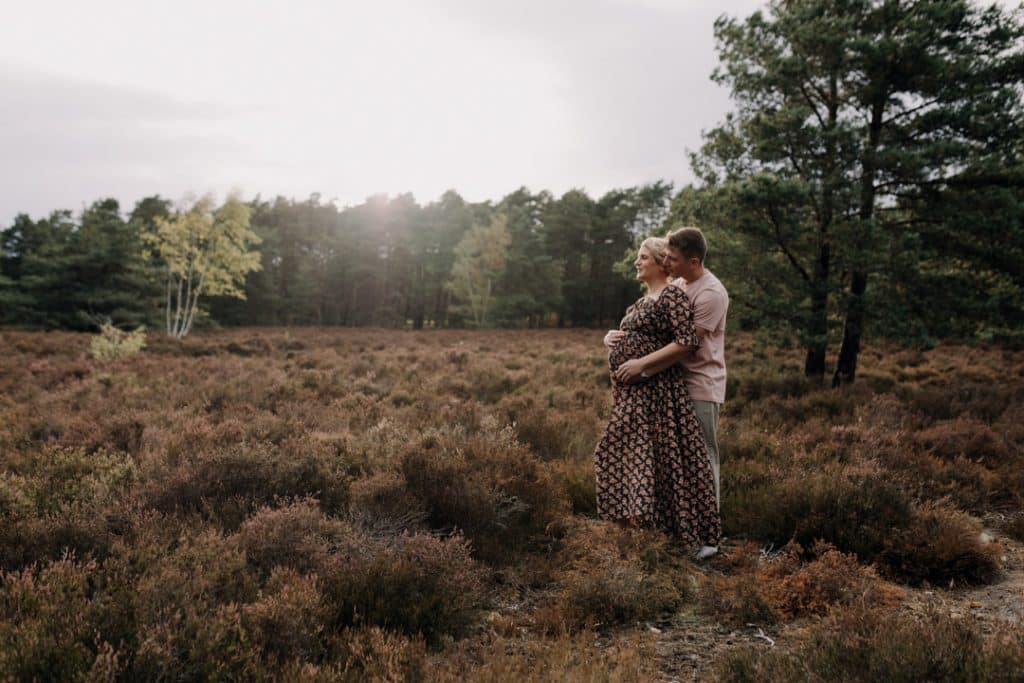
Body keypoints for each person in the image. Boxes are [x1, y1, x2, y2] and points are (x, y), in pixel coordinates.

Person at [594, 237, 721, 557]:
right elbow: (636, 335)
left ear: (659, 262)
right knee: (632, 457)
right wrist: (610, 339)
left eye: (642, 257)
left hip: (656, 392)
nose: (636, 262)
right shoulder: (643, 299)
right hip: (633, 393)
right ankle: (637, 530)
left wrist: (641, 366)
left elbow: (687, 339)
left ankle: (695, 537)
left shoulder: (676, 295)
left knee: (668, 462)